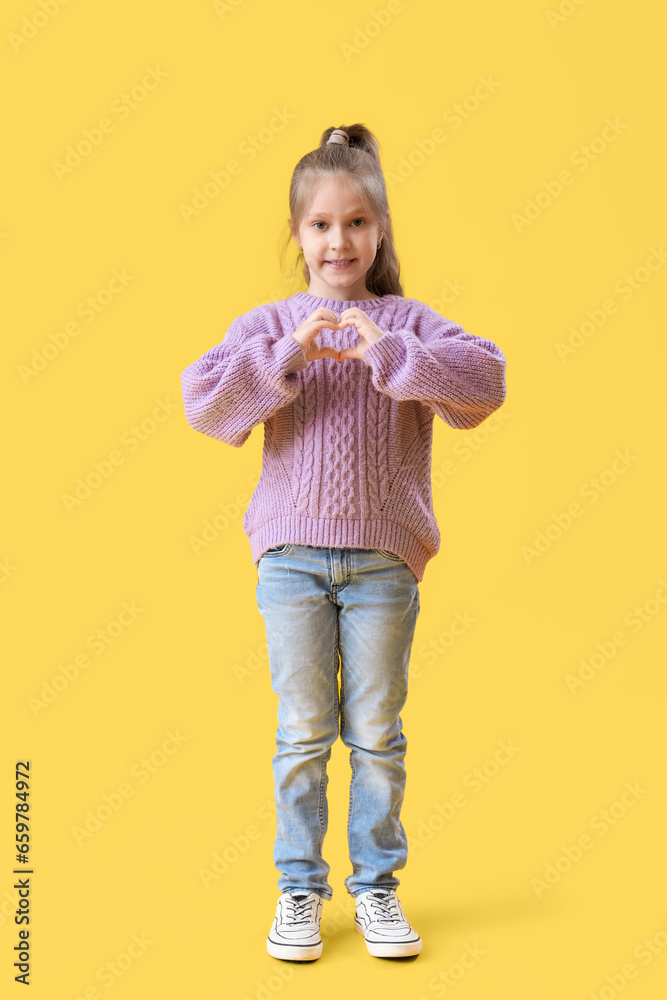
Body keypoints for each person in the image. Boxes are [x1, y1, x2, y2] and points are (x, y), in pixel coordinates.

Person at [179, 123, 507, 962]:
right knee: (300, 732)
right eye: (321, 225)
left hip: (382, 561)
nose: (339, 240)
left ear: (380, 230)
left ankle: (377, 891)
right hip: (289, 559)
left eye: (356, 222)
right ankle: (297, 891)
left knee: (375, 732)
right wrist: (287, 354)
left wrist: (390, 354)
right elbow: (207, 405)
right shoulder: (270, 323)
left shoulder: (406, 321)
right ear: (297, 235)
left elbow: (484, 386)